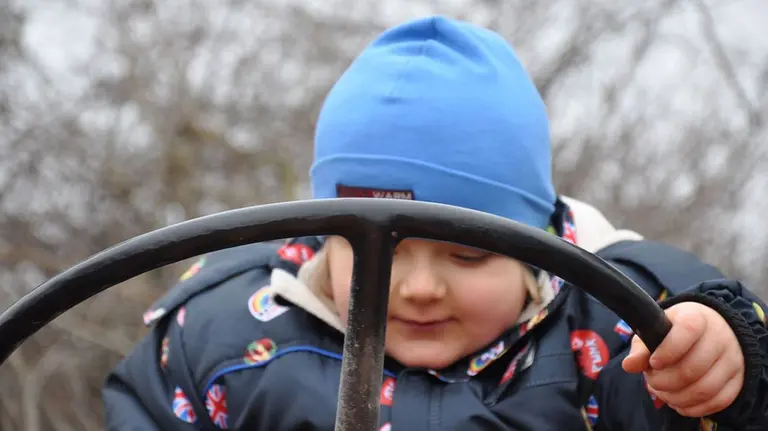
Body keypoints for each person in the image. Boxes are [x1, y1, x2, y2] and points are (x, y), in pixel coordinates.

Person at [102, 16, 768, 430]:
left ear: (536, 240)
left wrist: (726, 363)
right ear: (324, 234)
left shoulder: (620, 328)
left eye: (467, 254)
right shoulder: (222, 337)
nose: (419, 288)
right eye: (377, 254)